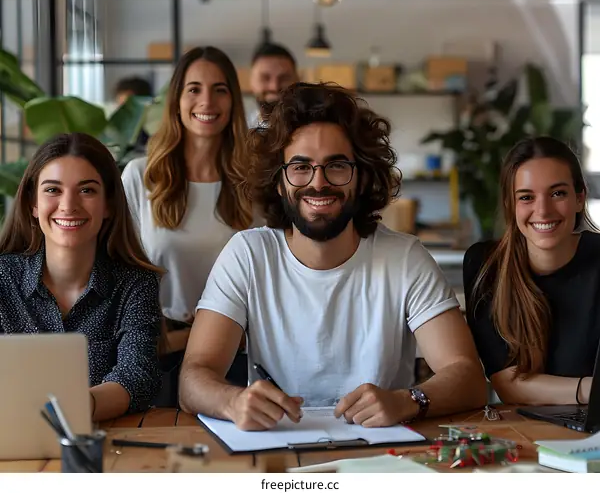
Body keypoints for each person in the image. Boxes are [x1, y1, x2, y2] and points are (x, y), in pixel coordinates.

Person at [179, 82, 487, 430]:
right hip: (275, 455)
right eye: (300, 167)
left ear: (361, 176)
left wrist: (407, 400)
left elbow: (468, 376)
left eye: (337, 166)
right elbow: (192, 380)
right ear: (279, 182)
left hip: (381, 458)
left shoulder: (405, 258)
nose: (319, 182)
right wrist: (232, 401)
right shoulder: (248, 255)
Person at [0, 133, 163, 422]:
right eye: (53, 190)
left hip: (106, 448)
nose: (69, 205)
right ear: (32, 205)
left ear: (108, 205)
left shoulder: (135, 284)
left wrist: (77, 406)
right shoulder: (3, 278)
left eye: (87, 191)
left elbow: (138, 376)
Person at [121, 46, 254, 397]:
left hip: (236, 351)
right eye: (194, 89)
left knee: (232, 448)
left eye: (219, 89)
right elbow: (121, 269)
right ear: (176, 100)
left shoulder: (252, 184)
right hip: (159, 347)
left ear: (233, 101)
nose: (206, 101)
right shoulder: (141, 176)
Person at [464, 136, 600, 406]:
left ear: (579, 198)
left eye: (558, 193)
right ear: (510, 205)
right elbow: (509, 385)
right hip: (523, 431)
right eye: (526, 197)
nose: (543, 210)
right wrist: (594, 391)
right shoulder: (486, 265)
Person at [247, 42, 298, 128]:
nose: (274, 87)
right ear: (251, 82)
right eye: (265, 78)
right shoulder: (239, 131)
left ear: (297, 81)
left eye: (284, 78)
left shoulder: (314, 131)